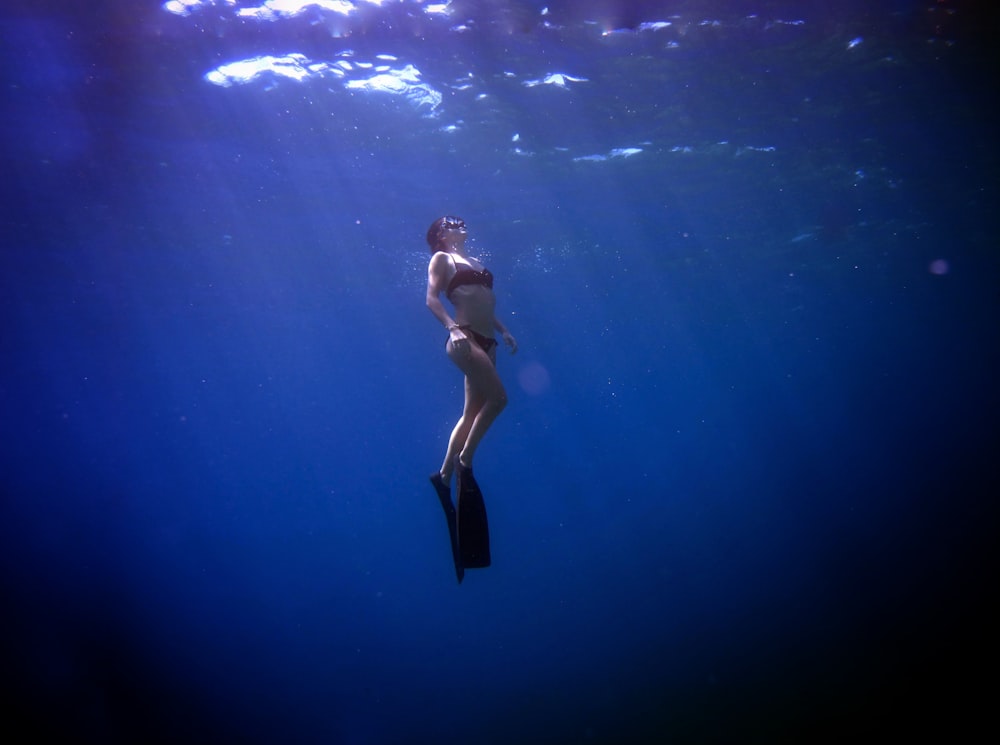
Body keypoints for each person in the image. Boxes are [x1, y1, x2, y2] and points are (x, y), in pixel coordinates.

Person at [425, 216, 517, 580]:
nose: (459, 224)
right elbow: (431, 299)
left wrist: (505, 331)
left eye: (459, 221)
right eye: (451, 222)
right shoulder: (441, 260)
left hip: (488, 340)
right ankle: (464, 461)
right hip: (463, 337)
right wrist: (450, 328)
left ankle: (443, 475)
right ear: (439, 235)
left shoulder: (477, 262)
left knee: (472, 411)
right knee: (499, 400)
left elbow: (486, 306)